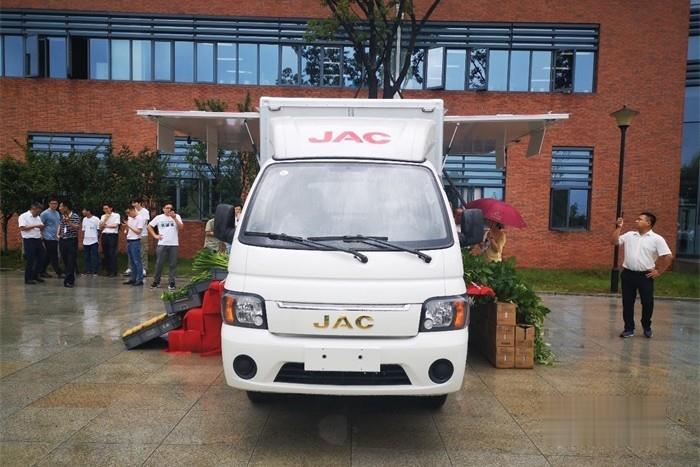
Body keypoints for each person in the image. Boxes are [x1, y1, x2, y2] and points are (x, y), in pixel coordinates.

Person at [611, 212, 673, 339]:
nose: (636, 221)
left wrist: (659, 271)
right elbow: (614, 241)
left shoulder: (657, 239)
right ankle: (629, 329)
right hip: (628, 274)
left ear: (648, 223)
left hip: (646, 276)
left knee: (647, 302)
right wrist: (618, 227)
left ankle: (646, 326)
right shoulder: (630, 235)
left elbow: (668, 256)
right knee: (627, 303)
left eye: (640, 219)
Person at [148, 203, 183, 290]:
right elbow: (149, 226)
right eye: (167, 208)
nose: (169, 210)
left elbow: (181, 227)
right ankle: (156, 281)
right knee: (159, 263)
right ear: (163, 209)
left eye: (170, 208)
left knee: (173, 264)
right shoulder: (159, 217)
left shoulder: (177, 216)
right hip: (162, 243)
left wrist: (174, 218)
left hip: (174, 244)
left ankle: (171, 282)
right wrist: (155, 235)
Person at [18, 203, 45, 285]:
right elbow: (22, 228)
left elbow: (41, 226)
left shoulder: (38, 217)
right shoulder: (23, 216)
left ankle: (35, 275)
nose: (38, 213)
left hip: (38, 239)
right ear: (33, 208)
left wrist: (41, 228)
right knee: (31, 259)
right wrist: (35, 226)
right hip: (29, 240)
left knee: (42, 257)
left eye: (39, 212)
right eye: (37, 212)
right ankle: (28, 278)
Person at [123, 198, 150, 278]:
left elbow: (144, 222)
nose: (133, 204)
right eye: (132, 203)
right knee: (131, 253)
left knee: (143, 251)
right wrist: (126, 229)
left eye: (135, 202)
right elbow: (129, 222)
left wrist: (134, 226)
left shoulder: (144, 212)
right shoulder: (131, 212)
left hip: (142, 234)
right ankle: (130, 268)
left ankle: (144, 269)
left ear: (139, 203)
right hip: (132, 235)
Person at [57, 201, 81, 288]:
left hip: (71, 240)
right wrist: (58, 234)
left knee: (71, 260)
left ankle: (69, 281)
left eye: (61, 206)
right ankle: (70, 278)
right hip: (63, 240)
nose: (59, 208)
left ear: (66, 207)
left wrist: (69, 222)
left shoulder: (75, 216)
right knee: (65, 260)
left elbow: (77, 228)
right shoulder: (62, 216)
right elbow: (61, 226)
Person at [39, 197, 63, 278]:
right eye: (52, 203)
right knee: (54, 255)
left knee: (48, 256)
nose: (54, 205)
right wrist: (41, 235)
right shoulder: (44, 214)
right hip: (48, 237)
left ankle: (41, 271)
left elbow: (58, 225)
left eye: (56, 203)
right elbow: (40, 225)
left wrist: (59, 234)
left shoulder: (57, 213)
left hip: (55, 237)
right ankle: (59, 272)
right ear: (49, 204)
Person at [99, 203, 120, 277]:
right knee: (106, 253)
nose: (105, 210)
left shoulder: (116, 215)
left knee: (112, 253)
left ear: (111, 208)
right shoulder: (103, 216)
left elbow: (115, 225)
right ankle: (108, 270)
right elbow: (101, 227)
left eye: (106, 208)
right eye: (104, 209)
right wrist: (105, 219)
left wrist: (106, 225)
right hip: (104, 235)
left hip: (112, 235)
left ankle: (113, 271)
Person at [81, 207, 100, 276]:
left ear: (88, 211)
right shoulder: (84, 219)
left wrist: (97, 238)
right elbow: (83, 230)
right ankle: (87, 270)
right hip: (86, 241)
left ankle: (95, 271)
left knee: (94, 256)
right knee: (86, 256)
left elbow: (99, 229)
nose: (83, 212)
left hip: (94, 241)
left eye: (84, 210)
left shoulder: (96, 219)